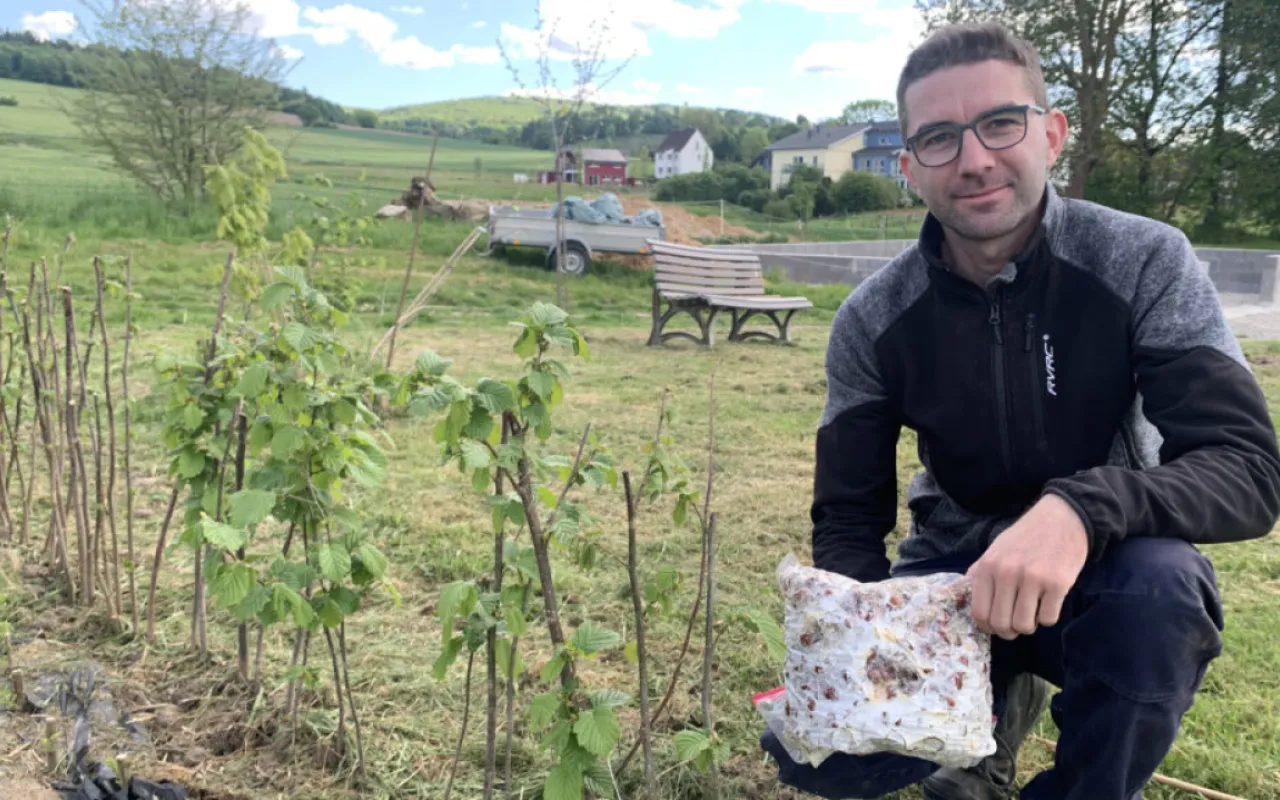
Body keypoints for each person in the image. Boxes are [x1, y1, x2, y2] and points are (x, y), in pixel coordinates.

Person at [760, 20, 1280, 800]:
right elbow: (847, 519)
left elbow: (1248, 469)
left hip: (1108, 572)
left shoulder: (1143, 260)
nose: (973, 160)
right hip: (952, 578)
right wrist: (856, 645)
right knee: (819, 757)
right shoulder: (872, 318)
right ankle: (982, 726)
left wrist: (1078, 508)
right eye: (938, 138)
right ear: (908, 167)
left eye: (1000, 123)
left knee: (1160, 595)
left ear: (1053, 133)